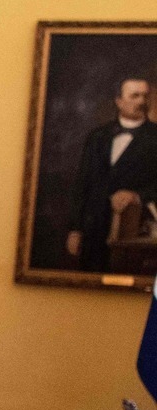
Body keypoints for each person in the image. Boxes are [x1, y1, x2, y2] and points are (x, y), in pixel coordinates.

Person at [67, 77, 157, 272]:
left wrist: (137, 196)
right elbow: (82, 183)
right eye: (134, 96)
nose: (141, 101)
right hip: (93, 230)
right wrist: (75, 229)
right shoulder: (98, 136)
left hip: (134, 233)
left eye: (145, 96)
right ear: (119, 101)